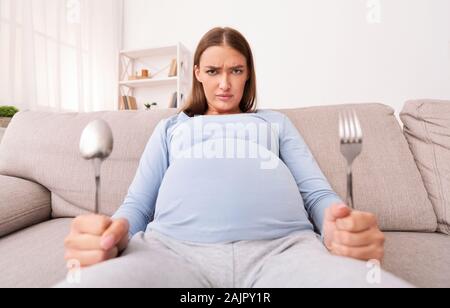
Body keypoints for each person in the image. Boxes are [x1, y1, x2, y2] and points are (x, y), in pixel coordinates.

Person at [56, 27, 411, 288]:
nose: (224, 83)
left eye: (235, 71)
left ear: (247, 75)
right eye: (213, 71)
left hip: (286, 251)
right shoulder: (171, 128)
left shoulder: (274, 122)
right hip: (170, 250)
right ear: (197, 73)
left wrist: (337, 228)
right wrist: (114, 235)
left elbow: (316, 194)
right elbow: (138, 205)